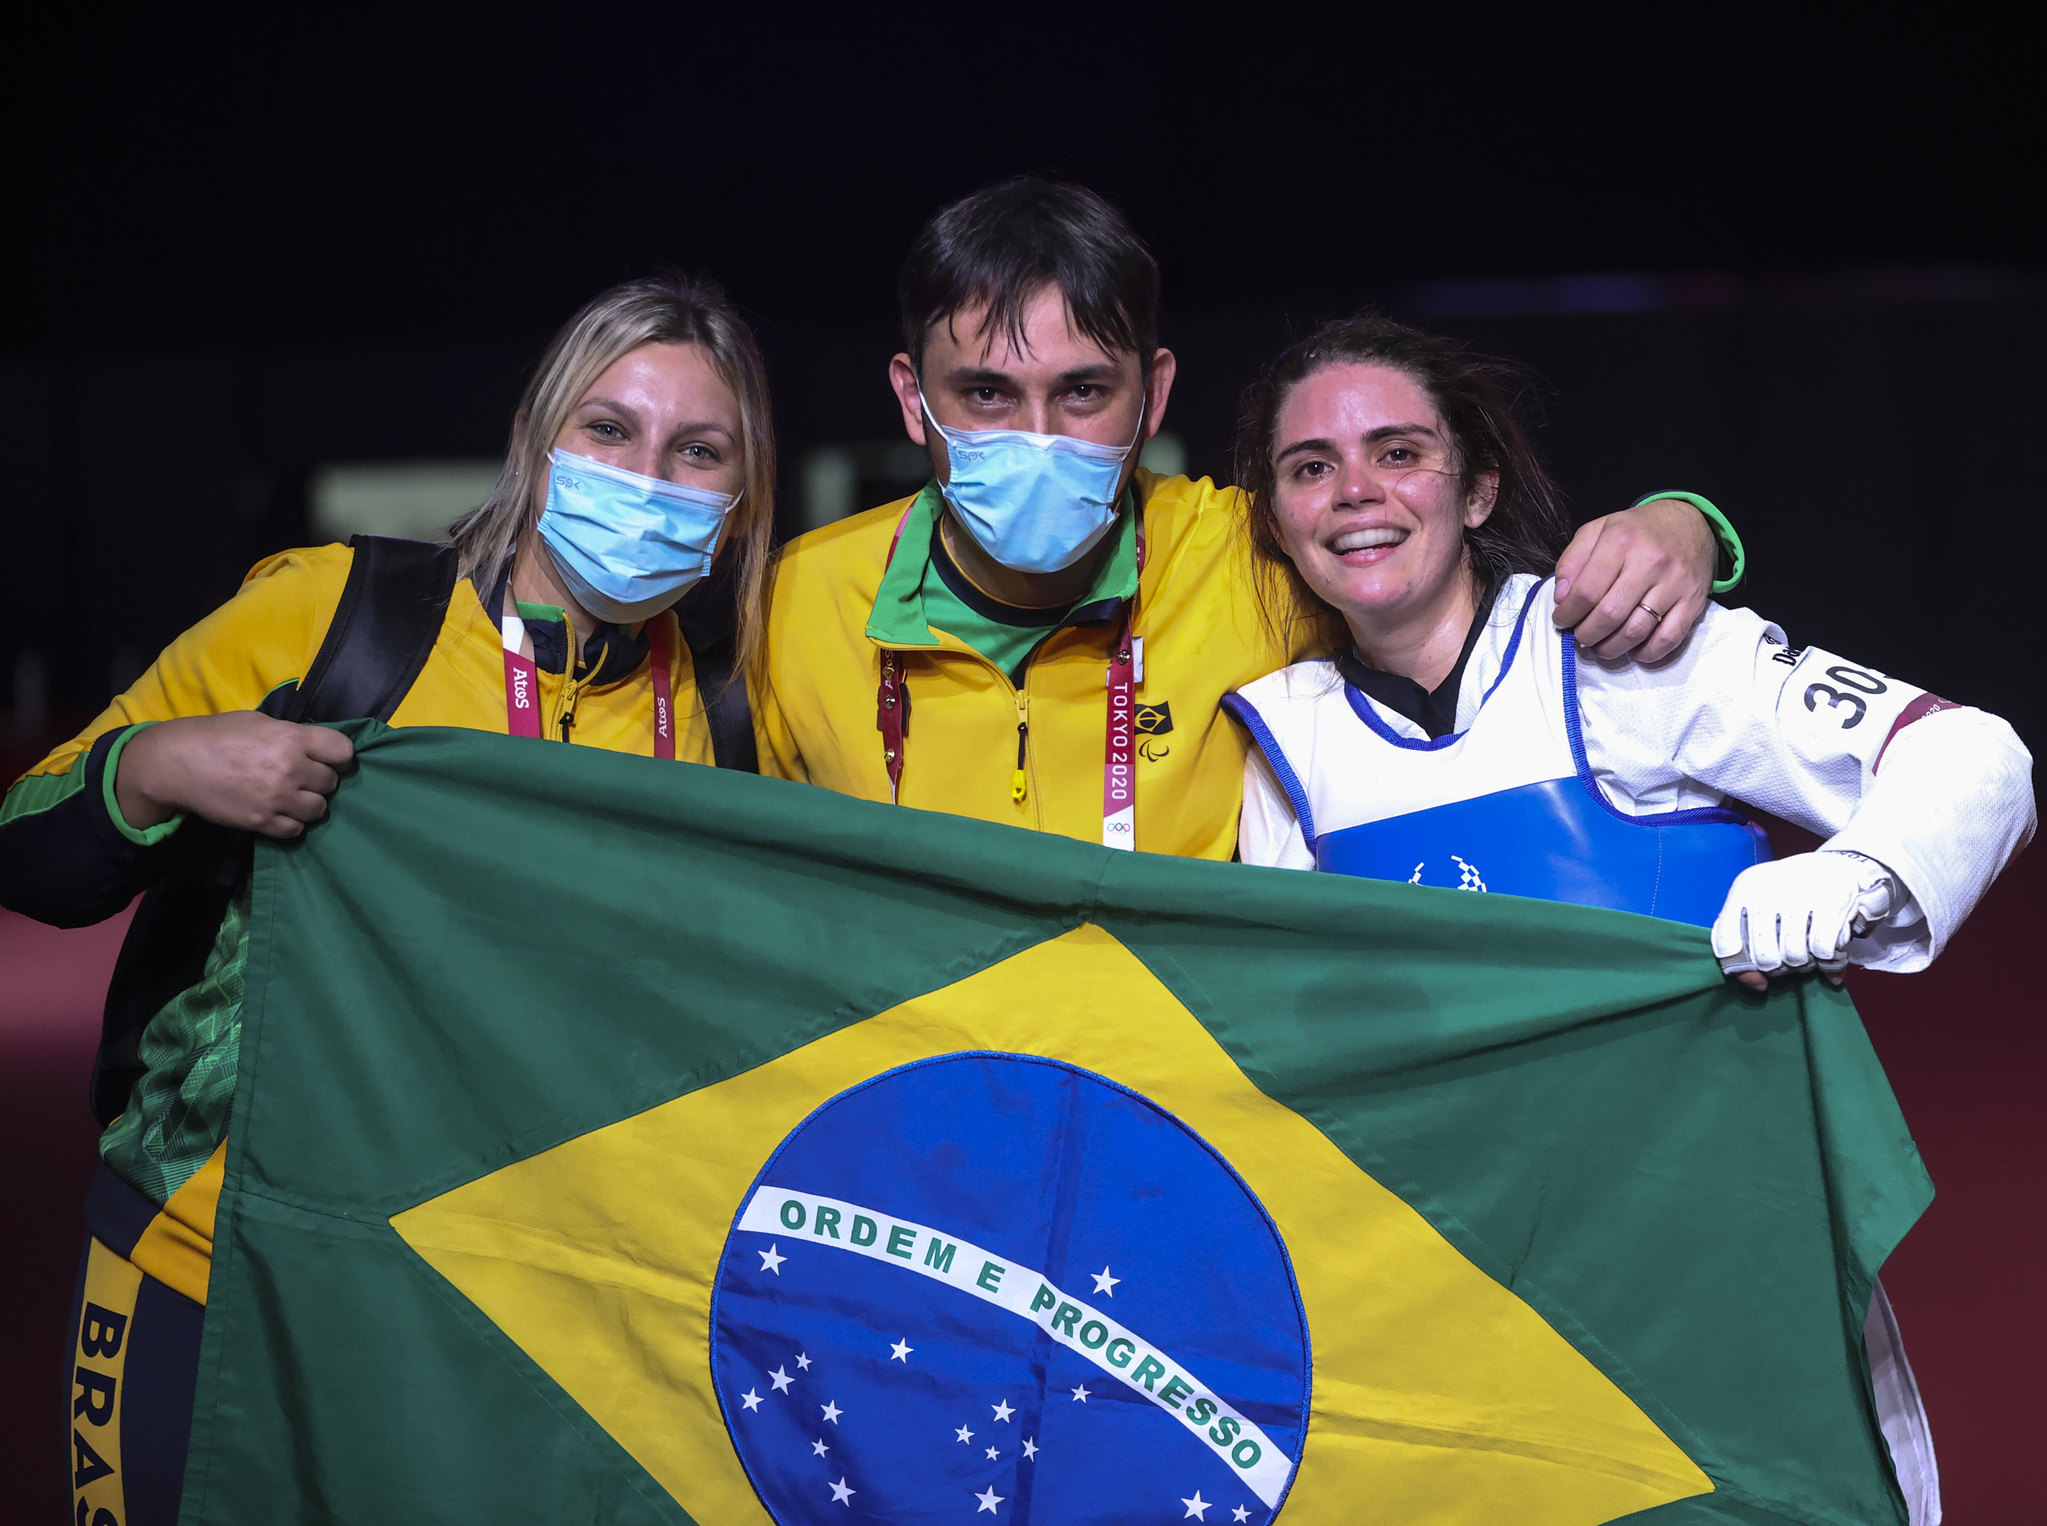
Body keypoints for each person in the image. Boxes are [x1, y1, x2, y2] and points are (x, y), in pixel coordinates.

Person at [1222, 312, 2036, 1524]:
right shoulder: (1285, 743)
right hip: (1479, 1335)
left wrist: (1851, 878)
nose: (1355, 493)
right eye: (1310, 466)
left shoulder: (1617, 645)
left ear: (1479, 483)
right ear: (1276, 514)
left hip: (1729, 1282)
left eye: (1399, 452)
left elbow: (1976, 757)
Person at [0, 272, 778, 1525]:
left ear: (741, 503)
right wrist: (156, 765)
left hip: (512, 1308)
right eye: (608, 429)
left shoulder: (732, 714)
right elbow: (25, 850)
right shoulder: (341, 617)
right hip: (212, 1262)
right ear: (538, 441)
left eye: (699, 451)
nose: (647, 475)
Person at [755, 177, 1744, 858]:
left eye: (1083, 391)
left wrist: (1683, 522)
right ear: (909, 396)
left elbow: (1462, 579)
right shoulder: (797, 598)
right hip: (914, 1122)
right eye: (985, 395)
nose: (1038, 437)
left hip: (1179, 1122)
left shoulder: (1254, 553)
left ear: (1152, 395)